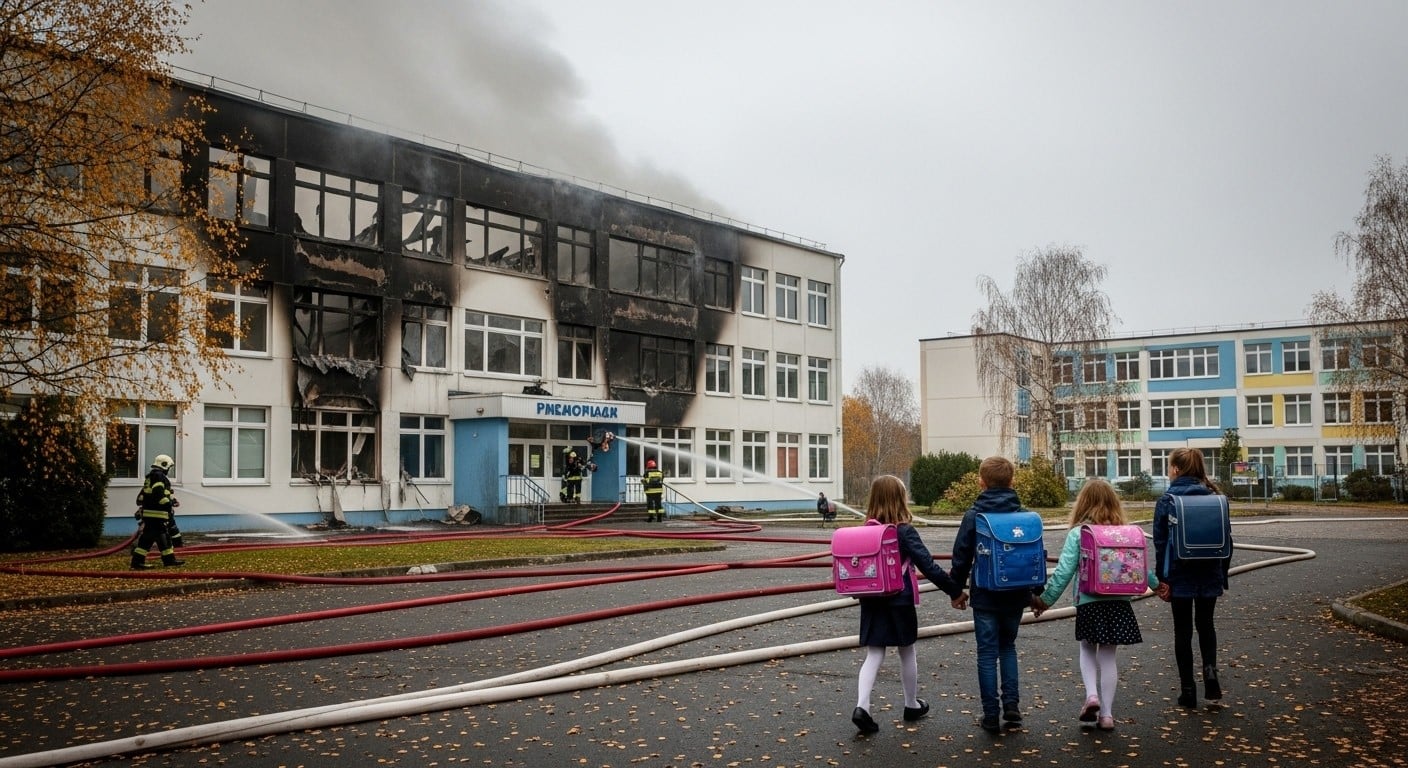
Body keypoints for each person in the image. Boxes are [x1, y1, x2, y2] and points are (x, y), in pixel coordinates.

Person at [1032, 479, 1168, 731]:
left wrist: (1045, 600)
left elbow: (1063, 572)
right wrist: (1157, 585)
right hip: (1119, 602)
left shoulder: (1080, 533)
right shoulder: (1126, 531)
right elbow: (1141, 566)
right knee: (1108, 656)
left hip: (1089, 600)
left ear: (1082, 503)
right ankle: (1106, 715)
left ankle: (1091, 695)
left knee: (1087, 648)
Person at [851, 474, 967, 734]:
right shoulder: (903, 532)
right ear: (900, 500)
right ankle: (911, 703)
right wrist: (954, 591)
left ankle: (862, 706)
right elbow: (928, 565)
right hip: (899, 601)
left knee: (874, 653)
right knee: (907, 651)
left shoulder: (864, 531)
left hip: (871, 600)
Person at [948, 455, 1041, 733]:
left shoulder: (974, 516)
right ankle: (1012, 706)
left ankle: (991, 715)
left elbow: (961, 557)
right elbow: (1032, 556)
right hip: (1016, 593)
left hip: (986, 594)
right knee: (1008, 647)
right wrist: (1036, 592)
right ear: (1012, 481)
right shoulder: (1024, 516)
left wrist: (956, 590)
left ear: (981, 482)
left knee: (987, 653)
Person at [1153, 447, 1231, 708]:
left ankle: (1188, 690)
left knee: (1182, 631)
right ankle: (1211, 677)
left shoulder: (1167, 500)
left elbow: (1161, 543)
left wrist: (1161, 579)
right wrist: (1223, 575)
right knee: (1207, 626)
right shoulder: (1216, 498)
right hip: (1210, 572)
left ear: (1175, 469)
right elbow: (1227, 541)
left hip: (1179, 573)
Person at [130, 454, 185, 569]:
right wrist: (169, 504)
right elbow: (158, 494)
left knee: (159, 537)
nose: (169, 470)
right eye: (169, 467)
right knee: (152, 539)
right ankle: (138, 563)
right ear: (164, 465)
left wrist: (172, 500)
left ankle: (168, 560)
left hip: (152, 514)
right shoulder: (159, 476)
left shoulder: (151, 476)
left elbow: (148, 496)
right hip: (156, 514)